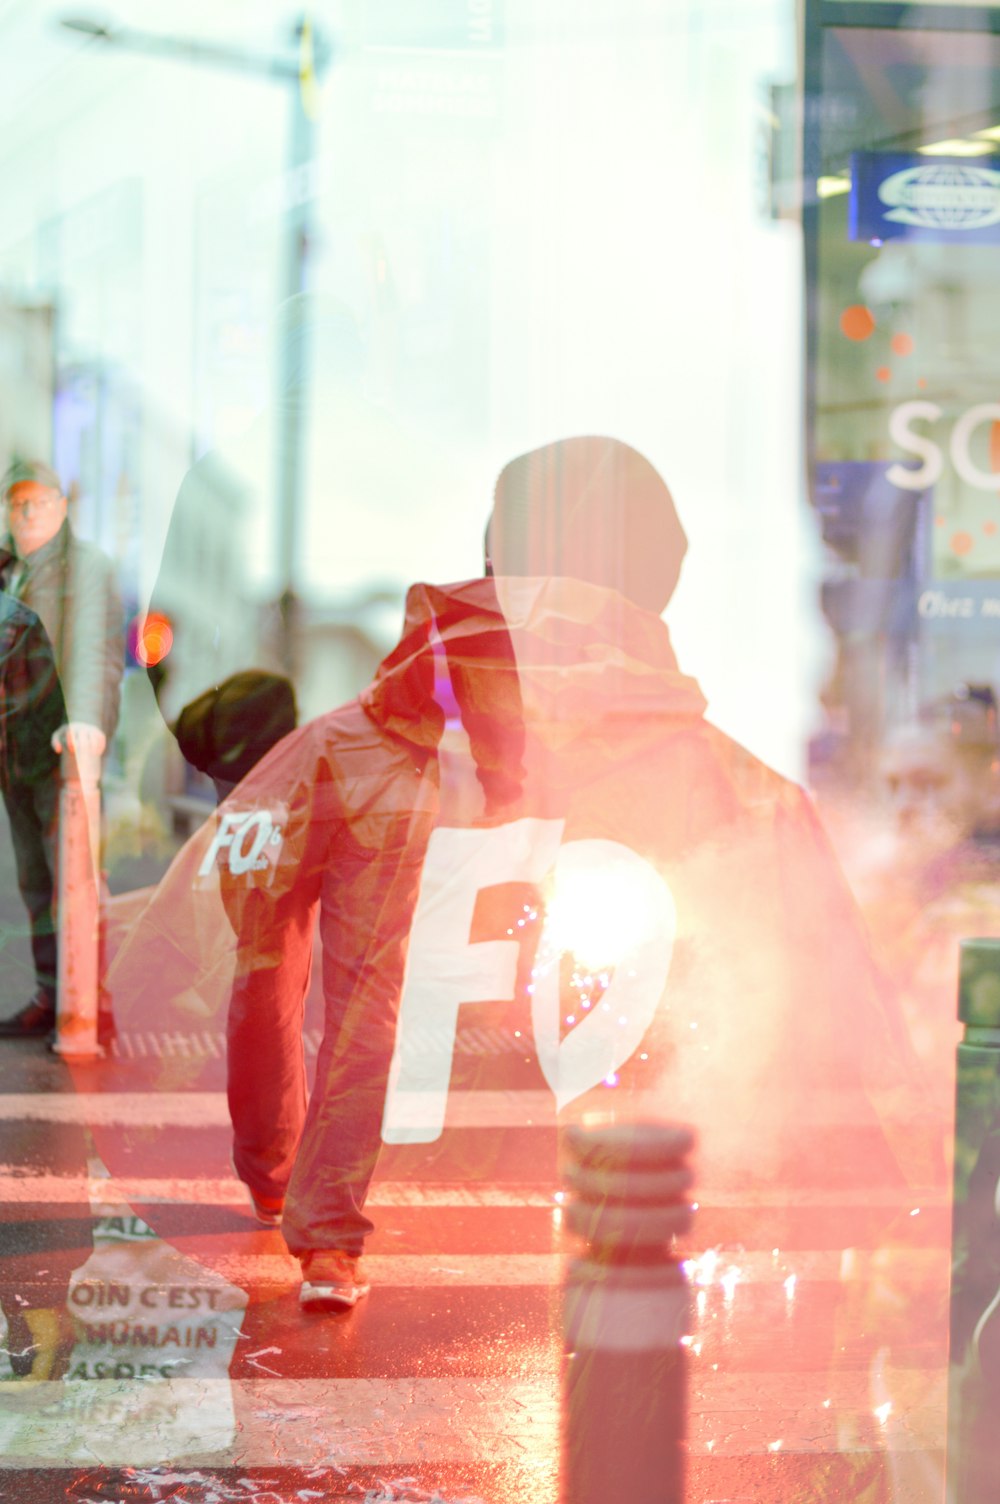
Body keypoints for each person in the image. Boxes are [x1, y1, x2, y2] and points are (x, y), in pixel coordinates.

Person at [104, 436, 930, 1315]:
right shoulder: (746, 803)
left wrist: (272, 1179)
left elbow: (242, 978)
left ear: (493, 560)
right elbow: (857, 1112)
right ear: (657, 584)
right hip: (630, 1277)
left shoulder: (335, 753)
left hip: (359, 1282)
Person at [0, 460, 124, 1038]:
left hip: (60, 753)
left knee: (72, 878)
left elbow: (95, 650)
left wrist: (85, 724)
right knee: (35, 880)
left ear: (62, 506)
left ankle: (88, 1000)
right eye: (15, 504)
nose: (24, 515)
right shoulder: (12, 571)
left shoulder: (85, 568)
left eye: (37, 503)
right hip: (14, 751)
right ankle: (53, 994)